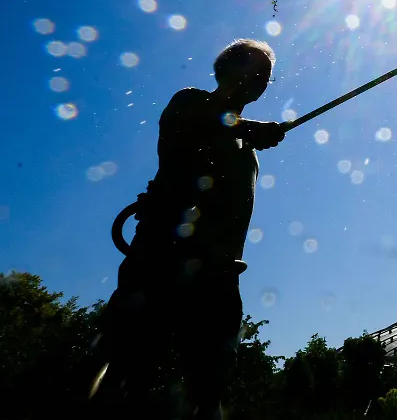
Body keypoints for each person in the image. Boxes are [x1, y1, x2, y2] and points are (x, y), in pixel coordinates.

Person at [89, 39, 286, 419]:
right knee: (122, 371)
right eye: (252, 67)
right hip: (159, 264)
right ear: (225, 69)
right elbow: (199, 123)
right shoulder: (189, 101)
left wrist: (249, 132)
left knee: (208, 390)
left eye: (266, 75)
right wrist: (250, 128)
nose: (260, 79)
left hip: (219, 278)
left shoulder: (248, 149)